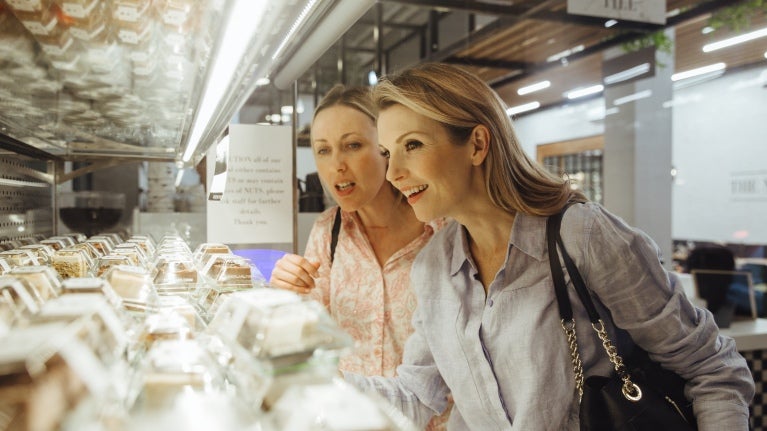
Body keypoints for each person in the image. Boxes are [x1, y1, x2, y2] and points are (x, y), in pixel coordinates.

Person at [341, 62, 754, 430]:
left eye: (412, 145)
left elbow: (712, 368)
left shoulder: (581, 235)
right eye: (386, 152)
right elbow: (416, 395)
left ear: (478, 144)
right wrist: (304, 381)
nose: (393, 172)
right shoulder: (433, 267)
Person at [268, 84, 449, 429]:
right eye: (322, 150)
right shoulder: (328, 231)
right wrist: (287, 294)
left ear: (385, 148)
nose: (336, 165)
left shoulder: (442, 231)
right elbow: (313, 334)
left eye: (352, 145)